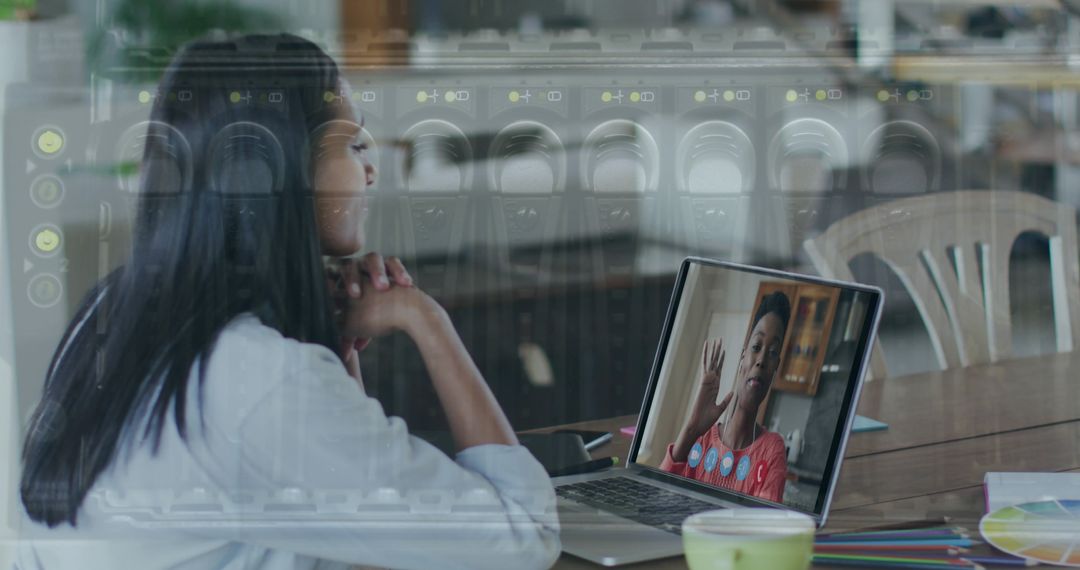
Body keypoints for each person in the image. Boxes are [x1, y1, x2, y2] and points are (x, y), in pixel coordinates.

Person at [16, 34, 559, 570]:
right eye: (352, 146)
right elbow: (523, 538)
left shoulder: (113, 310)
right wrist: (426, 319)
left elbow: (350, 529)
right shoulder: (260, 378)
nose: (370, 170)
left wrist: (338, 345)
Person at [659, 291, 791, 503]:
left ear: (776, 367)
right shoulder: (699, 438)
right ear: (743, 356)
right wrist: (691, 429)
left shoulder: (772, 450)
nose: (762, 360)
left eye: (773, 352)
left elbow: (762, 528)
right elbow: (656, 499)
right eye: (756, 347)